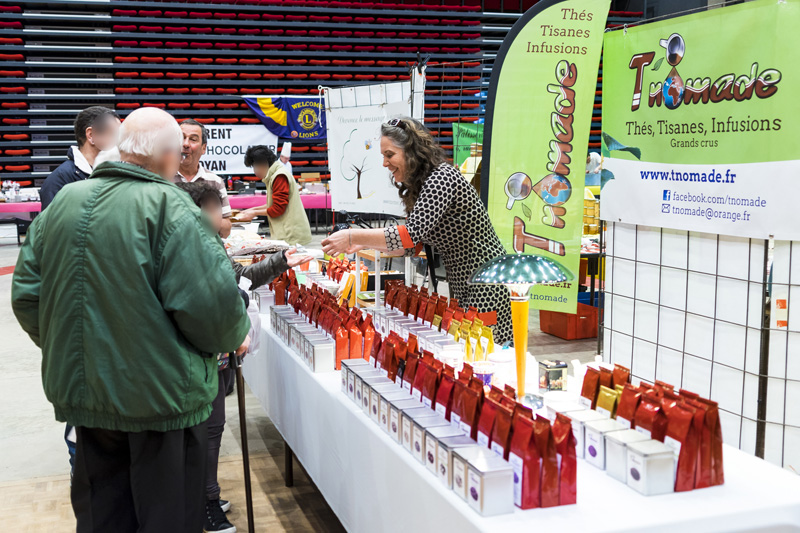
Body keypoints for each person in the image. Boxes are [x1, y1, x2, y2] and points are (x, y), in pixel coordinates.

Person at [11, 107, 252, 533]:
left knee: (103, 518)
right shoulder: (173, 209)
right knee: (168, 519)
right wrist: (233, 334)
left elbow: (28, 297)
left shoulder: (64, 201)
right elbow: (215, 313)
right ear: (166, 159)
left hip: (87, 398)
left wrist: (73, 348)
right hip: (163, 404)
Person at [175, 181, 311, 533]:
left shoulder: (212, 246)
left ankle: (205, 492)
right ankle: (204, 501)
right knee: (206, 430)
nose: (225, 215)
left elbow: (243, 279)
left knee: (214, 429)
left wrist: (281, 260)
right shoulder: (190, 250)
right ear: (201, 212)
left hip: (218, 352)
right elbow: (217, 296)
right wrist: (235, 309)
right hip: (202, 353)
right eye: (218, 208)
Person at [321, 117, 512, 343]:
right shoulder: (424, 185)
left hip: (486, 280)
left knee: (486, 349)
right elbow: (414, 245)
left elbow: (409, 235)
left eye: (389, 155)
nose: (384, 163)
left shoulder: (442, 177)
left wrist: (353, 235)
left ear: (412, 152)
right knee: (469, 348)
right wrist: (366, 243)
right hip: (464, 280)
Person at [40, 106, 120, 209]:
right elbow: (53, 223)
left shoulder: (116, 172)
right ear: (91, 135)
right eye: (115, 134)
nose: (120, 141)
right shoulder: (59, 180)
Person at [237, 145, 312, 246]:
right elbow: (272, 204)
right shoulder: (273, 175)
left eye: (255, 167)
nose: (255, 172)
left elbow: (277, 209)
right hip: (287, 233)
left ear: (263, 164)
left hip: (291, 235)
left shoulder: (279, 176)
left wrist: (254, 213)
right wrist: (251, 210)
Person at [175, 119, 233, 238]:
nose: (185, 144)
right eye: (181, 137)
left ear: (203, 148)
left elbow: (226, 227)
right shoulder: (161, 178)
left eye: (193, 139)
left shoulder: (215, 181)